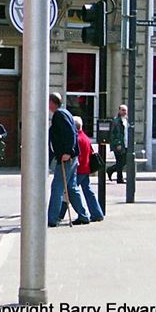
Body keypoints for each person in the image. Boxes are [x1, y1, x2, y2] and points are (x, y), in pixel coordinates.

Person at [47, 93, 90, 227]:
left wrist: (68, 152)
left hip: (67, 158)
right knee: (71, 188)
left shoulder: (59, 115)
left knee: (57, 187)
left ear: (52, 102)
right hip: (72, 158)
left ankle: (52, 219)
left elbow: (71, 133)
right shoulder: (65, 113)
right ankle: (83, 216)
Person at [60, 116, 105, 222]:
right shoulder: (85, 137)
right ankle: (97, 213)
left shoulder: (77, 139)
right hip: (86, 168)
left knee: (69, 191)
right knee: (88, 192)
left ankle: (77, 214)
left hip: (78, 169)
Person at [107, 104, 128, 184]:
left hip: (126, 143)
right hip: (119, 144)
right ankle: (120, 178)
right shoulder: (115, 121)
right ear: (119, 111)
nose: (124, 112)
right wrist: (118, 143)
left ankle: (111, 169)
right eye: (122, 110)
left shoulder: (127, 120)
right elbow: (113, 134)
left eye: (125, 110)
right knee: (119, 161)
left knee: (124, 161)